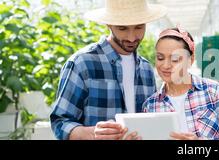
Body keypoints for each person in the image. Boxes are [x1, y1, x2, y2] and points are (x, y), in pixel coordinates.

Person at [50, 0, 167, 140]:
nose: (131, 37)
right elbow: (59, 122)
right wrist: (92, 134)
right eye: (122, 28)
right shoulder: (82, 63)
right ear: (108, 24)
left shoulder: (146, 69)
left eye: (138, 27)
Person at [142, 26, 219, 140]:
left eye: (175, 59)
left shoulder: (213, 92)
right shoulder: (150, 105)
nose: (166, 65)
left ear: (191, 60)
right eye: (160, 58)